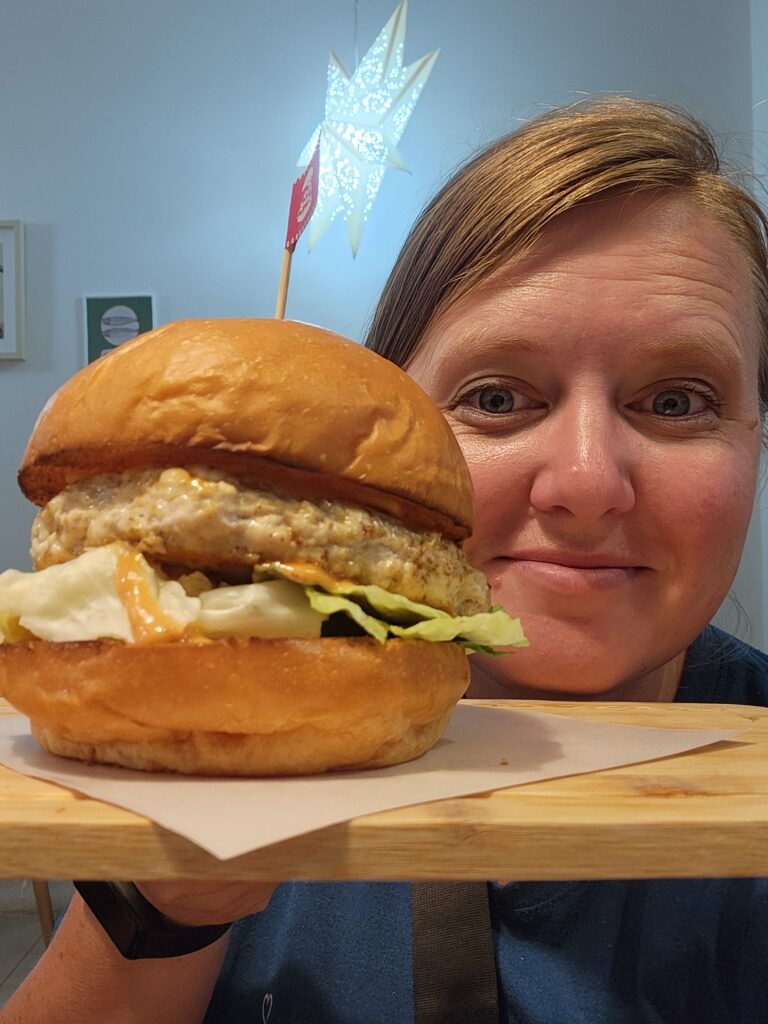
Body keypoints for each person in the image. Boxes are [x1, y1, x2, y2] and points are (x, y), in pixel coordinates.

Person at [3, 96, 768, 1024]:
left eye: (678, 402)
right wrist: (163, 908)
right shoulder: (207, 751)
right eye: (496, 397)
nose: (586, 482)